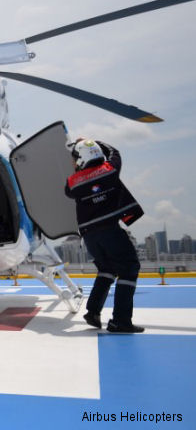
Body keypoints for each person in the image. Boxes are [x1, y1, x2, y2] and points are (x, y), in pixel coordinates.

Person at [65, 139, 145, 333]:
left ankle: (93, 311)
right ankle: (120, 320)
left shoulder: (72, 183)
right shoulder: (109, 170)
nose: (74, 163)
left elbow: (69, 192)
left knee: (107, 269)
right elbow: (115, 152)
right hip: (109, 230)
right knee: (129, 268)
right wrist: (94, 141)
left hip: (90, 237)